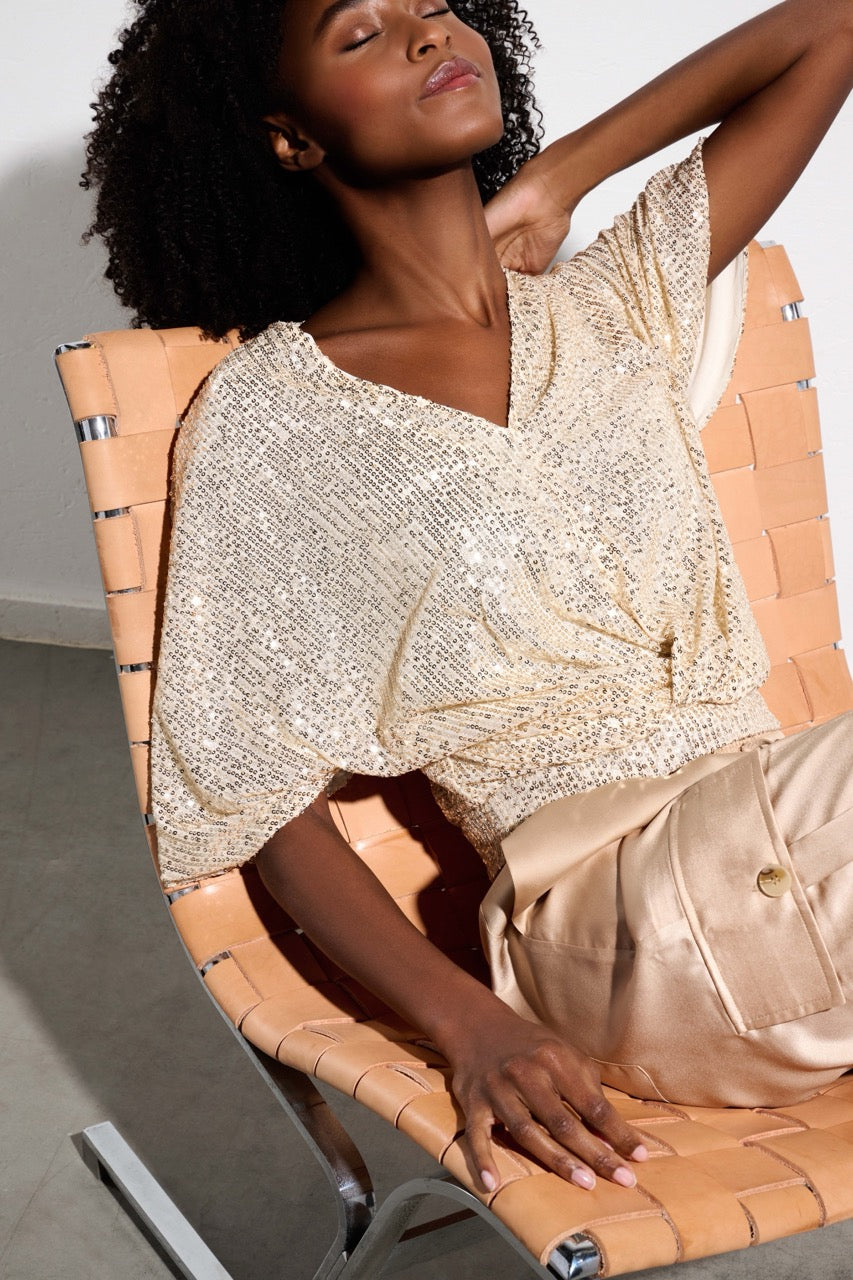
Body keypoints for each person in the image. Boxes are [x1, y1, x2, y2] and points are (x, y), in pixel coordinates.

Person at [83, 0, 853, 1198]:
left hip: (794, 858)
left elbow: (826, 29)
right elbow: (255, 795)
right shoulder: (274, 419)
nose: (427, 35)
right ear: (291, 136)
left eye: (438, 7)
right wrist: (470, 1022)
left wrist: (560, 178)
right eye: (361, 34)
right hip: (618, 928)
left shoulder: (615, 303)